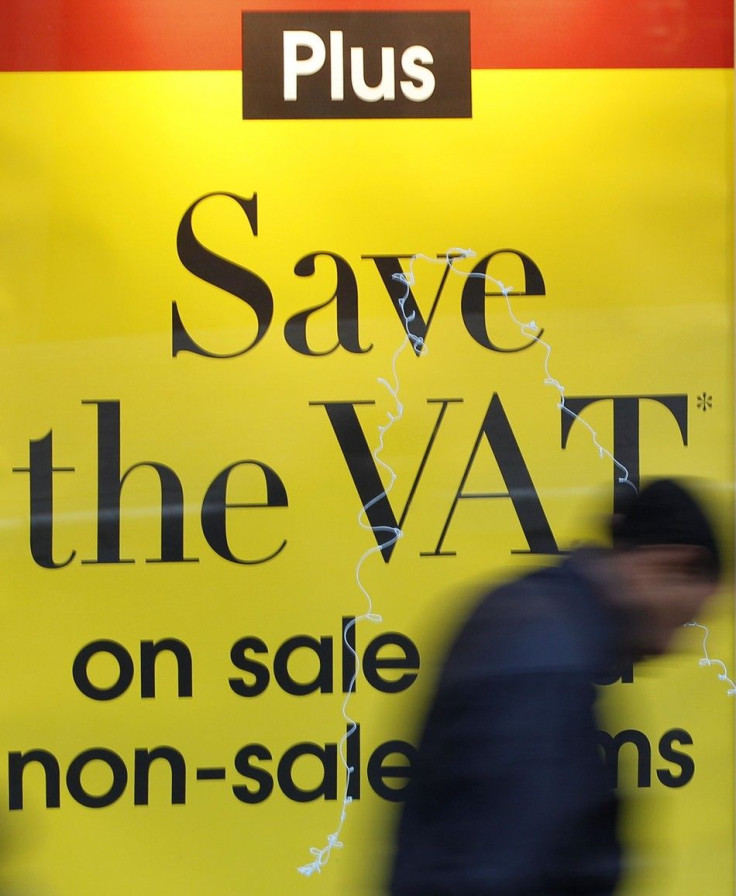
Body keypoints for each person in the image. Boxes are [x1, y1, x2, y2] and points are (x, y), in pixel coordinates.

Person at [390, 478, 722, 896]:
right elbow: (508, 859)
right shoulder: (548, 656)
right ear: (671, 564)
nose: (676, 644)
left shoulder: (536, 621)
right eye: (686, 619)